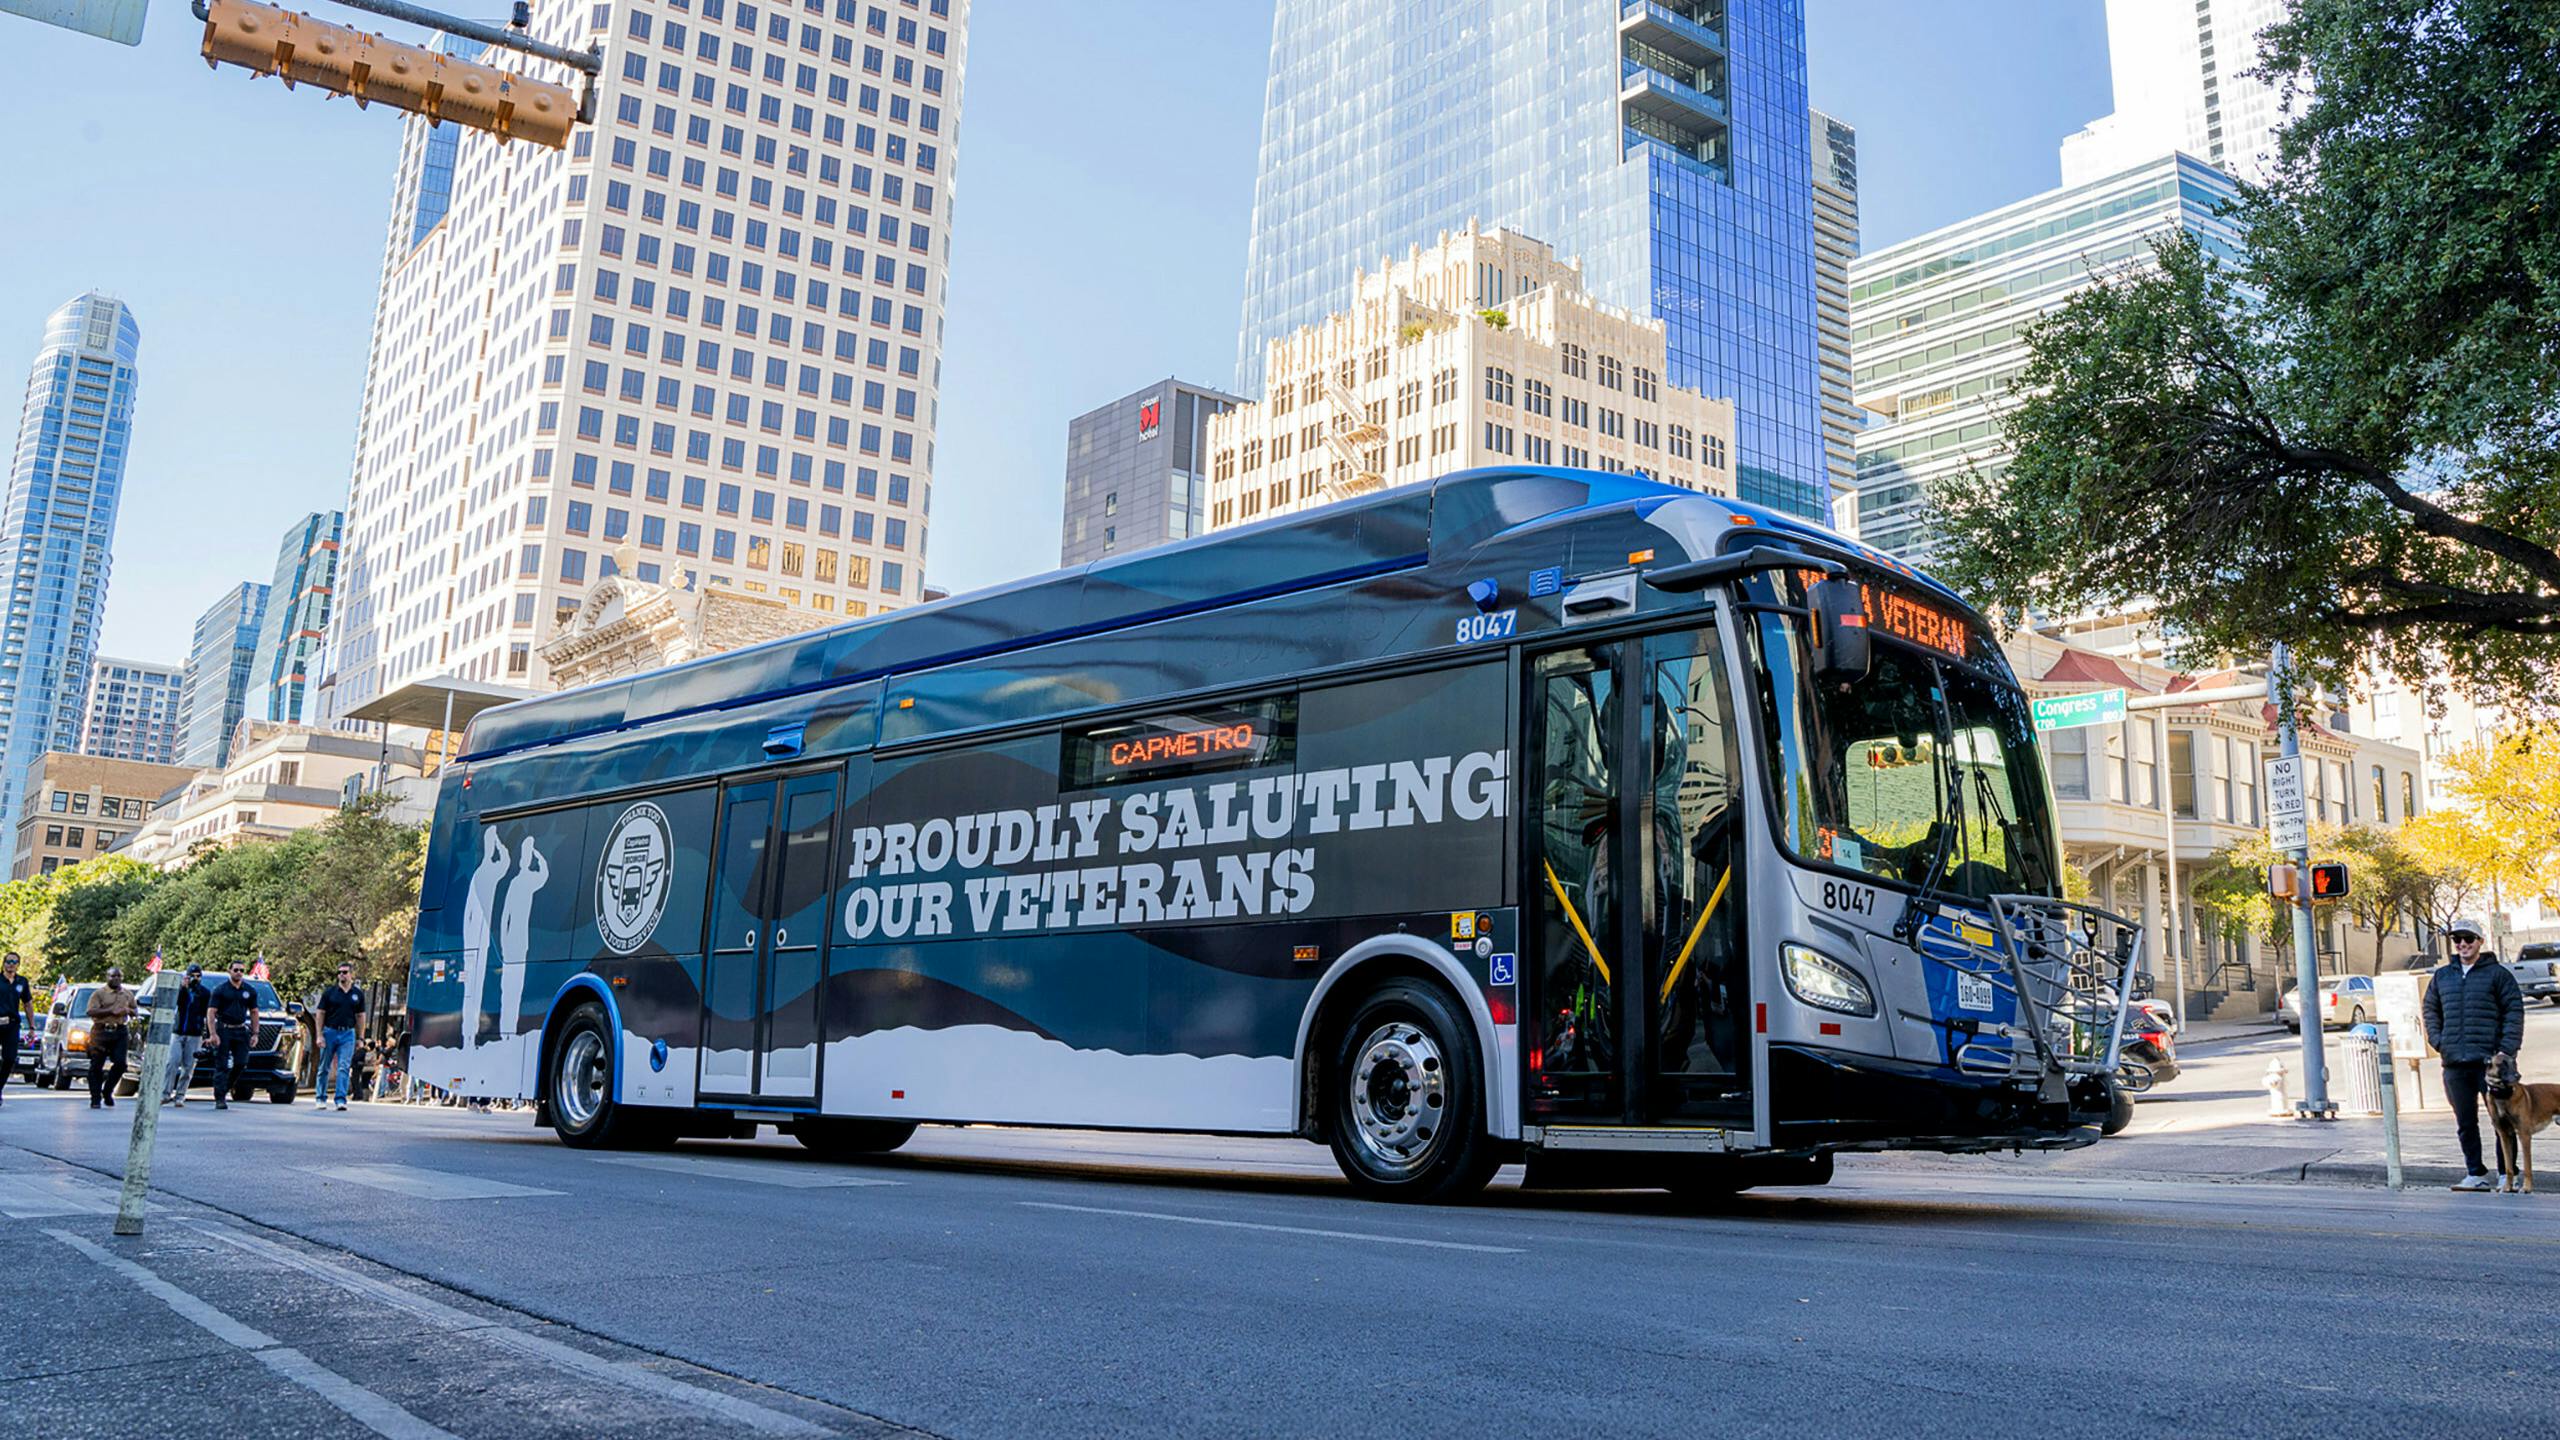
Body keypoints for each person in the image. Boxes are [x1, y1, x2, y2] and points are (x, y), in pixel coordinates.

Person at [2424, 917, 2526, 1192]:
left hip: (2492, 1064)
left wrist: (2506, 1051)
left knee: (2503, 1120)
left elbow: (2514, 1012)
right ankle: (2475, 1172)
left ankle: (2508, 1173)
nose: (2463, 944)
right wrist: (2439, 1041)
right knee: (2465, 1121)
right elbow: (2430, 1010)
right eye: (2457, 939)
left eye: (2469, 939)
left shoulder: (2498, 975)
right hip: (2455, 1062)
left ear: (2480, 941)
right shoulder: (2443, 976)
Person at [205, 961, 261, 1112]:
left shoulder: (249, 990)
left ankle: (226, 1086)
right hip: (224, 1029)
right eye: (235, 970)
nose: (239, 973)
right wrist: (213, 1034)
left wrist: (255, 1033)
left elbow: (254, 1012)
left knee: (241, 1062)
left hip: (241, 1030)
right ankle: (220, 1098)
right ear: (229, 971)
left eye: (242, 970)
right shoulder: (220, 990)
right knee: (222, 1065)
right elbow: (211, 1012)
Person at [315, 964, 365, 1112]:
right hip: (330, 1032)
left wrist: (361, 1038)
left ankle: (340, 1100)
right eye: (339, 973)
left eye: (344, 972)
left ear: (351, 975)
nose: (341, 975)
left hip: (348, 1034)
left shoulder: (358, 994)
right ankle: (320, 1098)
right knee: (324, 1066)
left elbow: (361, 1016)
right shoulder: (330, 993)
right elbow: (320, 1013)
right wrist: (319, 1035)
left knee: (344, 1067)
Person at [85, 967, 137, 1108]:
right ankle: (95, 1098)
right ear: (107, 977)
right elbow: (90, 1011)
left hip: (119, 1031)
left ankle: (107, 1091)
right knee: (96, 1065)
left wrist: (129, 1010)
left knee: (121, 1064)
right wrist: (110, 1011)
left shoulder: (127, 994)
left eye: (119, 976)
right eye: (113, 976)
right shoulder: (99, 994)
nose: (116, 979)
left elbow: (135, 1010)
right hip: (101, 1031)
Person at [164, 964, 213, 1107]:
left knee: (188, 1066)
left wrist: (208, 1034)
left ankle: (180, 1095)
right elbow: (175, 1004)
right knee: (172, 1062)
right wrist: (182, 988)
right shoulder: (183, 991)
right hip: (178, 1031)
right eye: (192, 976)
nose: (195, 979)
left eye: (198, 976)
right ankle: (166, 1093)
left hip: (195, 1033)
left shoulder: (204, 993)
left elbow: (208, 1014)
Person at [0, 953, 30, 1106]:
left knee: (10, 1057)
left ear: (18, 964)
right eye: (8, 961)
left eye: (14, 962)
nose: (11, 964)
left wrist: (31, 1027)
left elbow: (27, 1004)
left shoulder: (22, 982)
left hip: (12, 1024)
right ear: (4, 963)